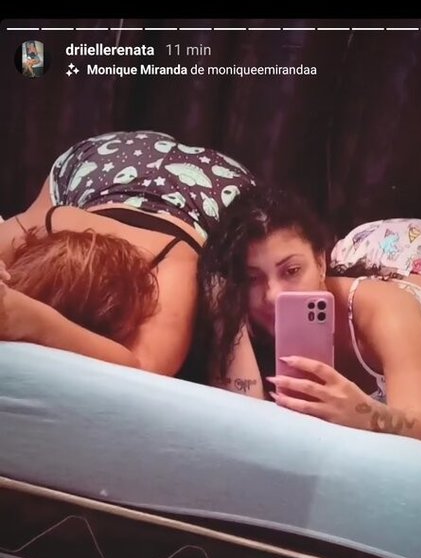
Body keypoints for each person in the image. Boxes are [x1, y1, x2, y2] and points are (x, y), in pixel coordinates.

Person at [0, 130, 263, 392]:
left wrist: (33, 321)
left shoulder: (178, 263)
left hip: (218, 183)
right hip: (101, 164)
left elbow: (140, 369)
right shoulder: (50, 221)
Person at [197, 186, 421, 446]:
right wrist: (226, 313)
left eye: (291, 271)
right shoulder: (245, 311)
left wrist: (366, 415)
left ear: (321, 263)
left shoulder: (387, 312)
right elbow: (246, 417)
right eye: (252, 278)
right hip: (363, 259)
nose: (273, 295)